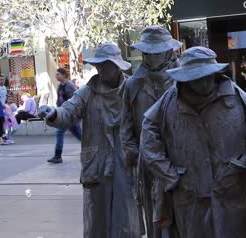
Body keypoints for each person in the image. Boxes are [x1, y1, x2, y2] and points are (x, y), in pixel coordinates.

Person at [141, 47, 246, 238]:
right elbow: (148, 140)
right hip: (189, 196)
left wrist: (239, 166)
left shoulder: (236, 97)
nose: (205, 81)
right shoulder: (169, 101)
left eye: (209, 75)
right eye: (198, 77)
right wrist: (171, 176)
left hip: (230, 195)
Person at [38, 43, 141, 238]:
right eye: (99, 65)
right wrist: (53, 114)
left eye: (106, 65)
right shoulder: (88, 91)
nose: (101, 69)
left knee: (126, 218)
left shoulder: (131, 89)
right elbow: (69, 111)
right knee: (96, 221)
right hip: (97, 165)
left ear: (117, 65)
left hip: (125, 162)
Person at [120, 25, 182, 238]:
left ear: (168, 51)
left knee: (184, 221)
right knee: (155, 220)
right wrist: (137, 156)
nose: (151, 57)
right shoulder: (132, 85)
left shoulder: (183, 79)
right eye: (147, 52)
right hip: (148, 167)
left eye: (156, 52)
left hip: (182, 162)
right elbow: (126, 128)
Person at [47, 68, 82, 164]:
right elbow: (59, 99)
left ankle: (58, 156)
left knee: (61, 133)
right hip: (63, 113)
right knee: (77, 133)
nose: (56, 76)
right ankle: (90, 147)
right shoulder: (60, 86)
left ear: (64, 75)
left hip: (69, 114)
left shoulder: (70, 86)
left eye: (58, 74)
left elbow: (74, 100)